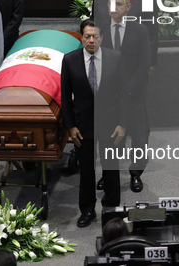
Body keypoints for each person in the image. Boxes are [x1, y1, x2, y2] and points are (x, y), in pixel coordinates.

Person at [61, 19, 129, 228]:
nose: (91, 40)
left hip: (111, 125)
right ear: (81, 38)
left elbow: (124, 95)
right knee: (87, 171)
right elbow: (65, 96)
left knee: (111, 169)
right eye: (87, 36)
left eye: (95, 36)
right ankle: (87, 210)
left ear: (102, 37)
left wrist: (123, 124)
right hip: (83, 126)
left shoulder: (115, 58)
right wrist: (70, 127)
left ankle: (112, 210)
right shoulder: (70, 60)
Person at [98, 0, 151, 193]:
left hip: (134, 93)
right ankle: (108, 173)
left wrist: (127, 90)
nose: (114, 8)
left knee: (138, 135)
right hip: (108, 97)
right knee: (108, 137)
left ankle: (136, 173)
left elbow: (144, 64)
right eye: (111, 4)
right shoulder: (100, 28)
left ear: (128, 7)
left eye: (119, 4)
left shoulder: (140, 30)